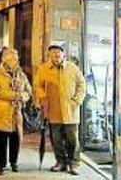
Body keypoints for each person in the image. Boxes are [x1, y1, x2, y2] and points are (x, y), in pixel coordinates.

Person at [35, 43, 86, 176]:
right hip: (53, 110)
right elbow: (38, 85)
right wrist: (42, 97)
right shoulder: (43, 69)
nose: (57, 54)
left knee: (72, 139)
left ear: (63, 54)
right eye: (53, 52)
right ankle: (61, 162)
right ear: (49, 55)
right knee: (56, 139)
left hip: (71, 110)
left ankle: (74, 163)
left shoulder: (72, 68)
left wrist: (77, 101)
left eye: (59, 52)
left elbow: (82, 84)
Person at [0, 48, 31, 174]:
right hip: (1, 113)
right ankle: (1, 165)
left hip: (16, 114)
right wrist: (13, 95)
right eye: (11, 59)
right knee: (0, 141)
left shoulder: (21, 74)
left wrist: (23, 96)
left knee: (15, 140)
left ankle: (14, 162)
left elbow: (28, 90)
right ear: (4, 59)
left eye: (15, 59)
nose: (14, 61)